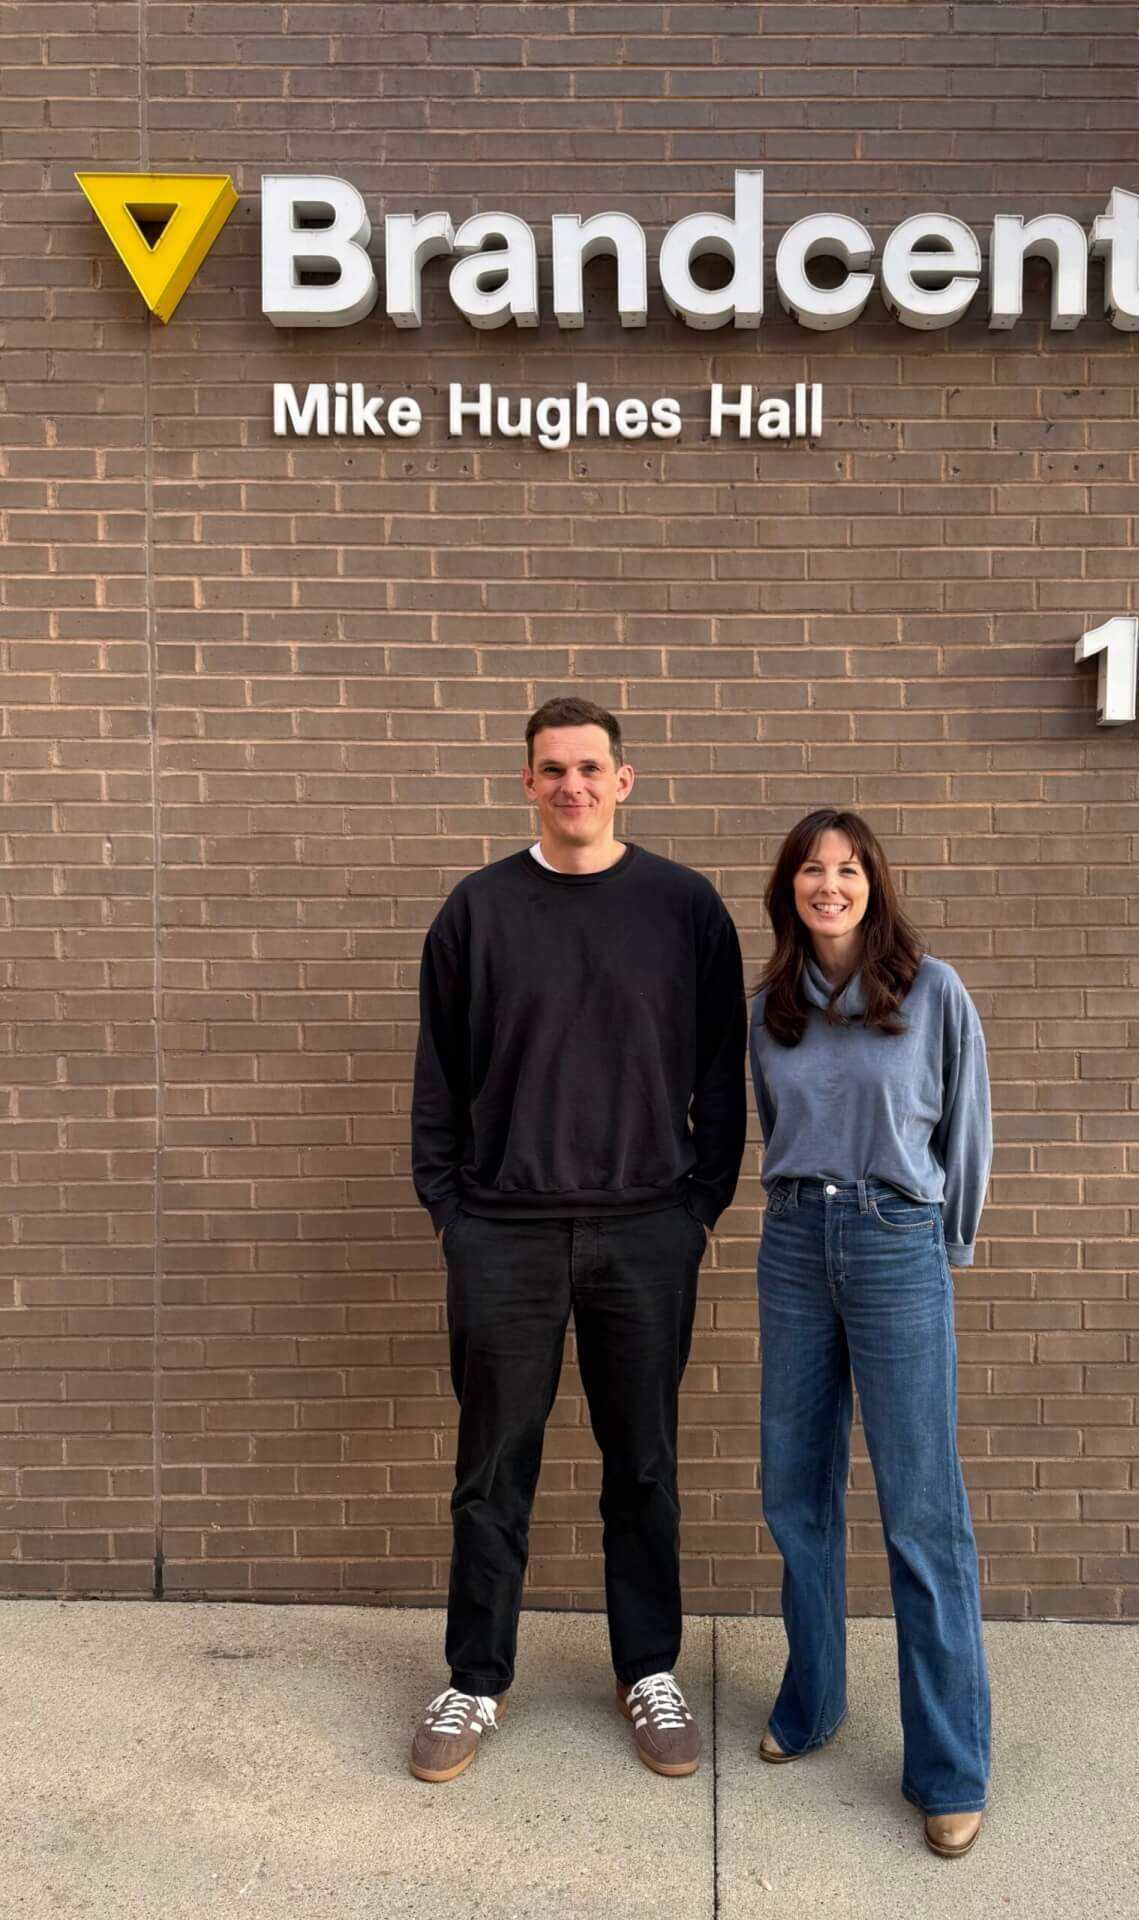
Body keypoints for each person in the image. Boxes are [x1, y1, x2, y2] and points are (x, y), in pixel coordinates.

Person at [408, 695, 747, 1786]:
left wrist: (696, 1208)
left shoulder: (683, 907)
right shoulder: (477, 910)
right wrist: (452, 1216)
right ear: (526, 783)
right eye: (552, 769)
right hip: (502, 1234)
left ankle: (647, 1667)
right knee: (490, 1467)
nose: (572, 785)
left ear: (625, 779)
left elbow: (718, 1074)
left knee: (641, 1464)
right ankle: (474, 1678)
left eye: (590, 767)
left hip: (647, 1230)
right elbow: (439, 1082)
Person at [749, 809, 993, 1859]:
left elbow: (966, 1125)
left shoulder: (932, 992)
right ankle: (813, 1702)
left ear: (873, 884)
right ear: (788, 890)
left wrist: (949, 1242)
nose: (829, 884)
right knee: (794, 1489)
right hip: (796, 1241)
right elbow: (768, 1123)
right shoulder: (767, 1009)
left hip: (897, 1244)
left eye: (846, 869)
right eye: (811, 870)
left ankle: (948, 1765)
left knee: (919, 1511)